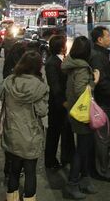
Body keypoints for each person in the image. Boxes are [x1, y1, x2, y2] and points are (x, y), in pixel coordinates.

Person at [2, 51, 49, 201]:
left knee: (14, 169)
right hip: (31, 134)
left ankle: (12, 197)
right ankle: (29, 198)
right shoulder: (39, 87)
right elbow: (42, 111)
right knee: (30, 171)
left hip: (12, 132)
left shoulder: (10, 82)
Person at [62, 36, 100, 200]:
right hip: (82, 113)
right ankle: (72, 183)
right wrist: (94, 82)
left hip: (75, 111)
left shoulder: (72, 63)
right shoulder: (82, 68)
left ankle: (85, 179)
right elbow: (80, 91)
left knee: (86, 146)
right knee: (82, 149)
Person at [88, 26, 110, 183]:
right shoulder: (97, 57)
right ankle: (103, 171)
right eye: (108, 36)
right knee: (103, 138)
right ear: (100, 39)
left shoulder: (100, 54)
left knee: (103, 137)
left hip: (103, 101)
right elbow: (100, 79)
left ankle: (99, 168)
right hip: (103, 103)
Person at [44, 35, 75, 170]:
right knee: (54, 133)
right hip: (58, 104)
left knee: (67, 132)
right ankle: (50, 161)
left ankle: (67, 158)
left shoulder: (64, 59)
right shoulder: (52, 62)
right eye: (65, 44)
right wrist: (63, 102)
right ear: (62, 47)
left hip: (66, 102)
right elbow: (55, 85)